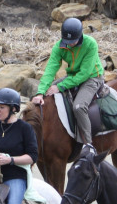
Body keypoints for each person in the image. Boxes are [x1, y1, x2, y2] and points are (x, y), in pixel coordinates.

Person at [30, 17, 105, 146]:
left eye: (73, 41)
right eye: (67, 41)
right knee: (47, 92)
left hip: (92, 77)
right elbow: (50, 71)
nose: (70, 44)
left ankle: (88, 145)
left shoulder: (90, 44)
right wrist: (40, 93)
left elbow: (85, 73)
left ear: (80, 36)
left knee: (79, 106)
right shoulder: (59, 46)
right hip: (72, 76)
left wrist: (60, 87)